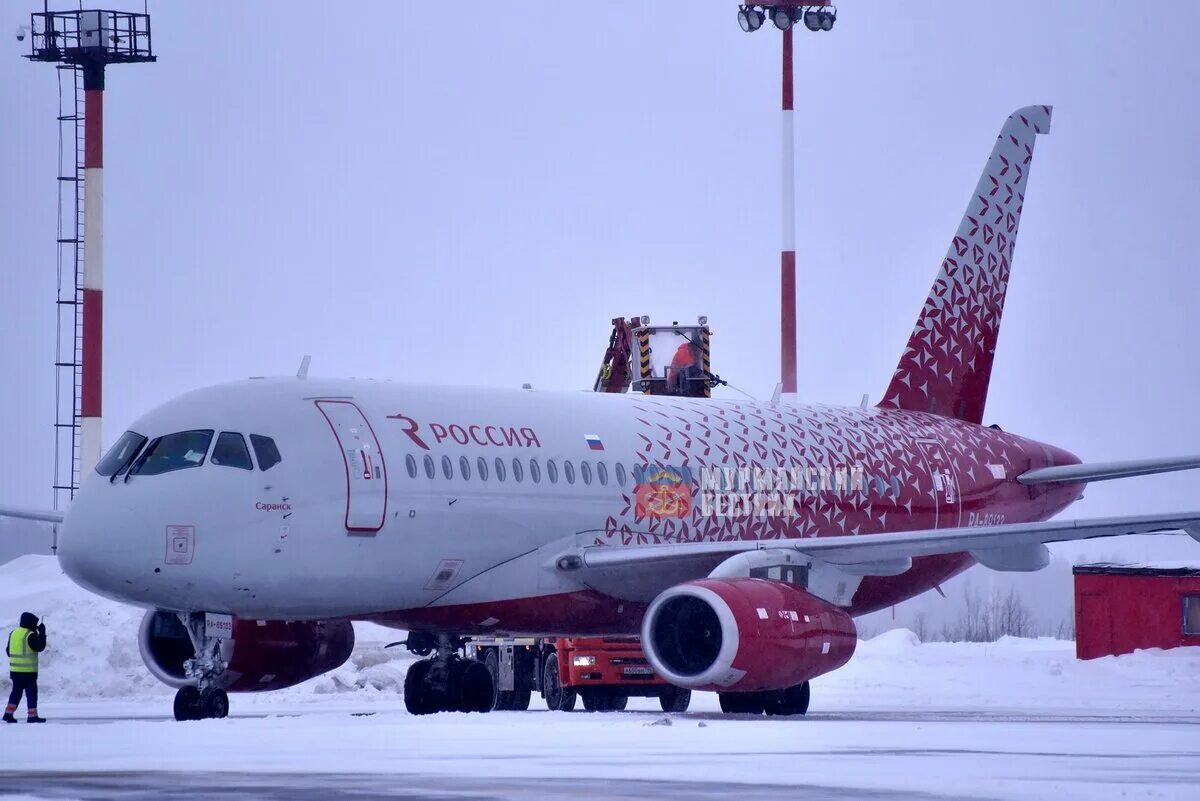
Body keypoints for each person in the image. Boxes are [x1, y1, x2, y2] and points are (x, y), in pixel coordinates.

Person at [5, 612, 47, 723]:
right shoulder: (30, 635)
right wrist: (42, 633)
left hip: (15, 671)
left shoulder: (13, 633)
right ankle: (32, 716)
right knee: (32, 694)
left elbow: (8, 651)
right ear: (30, 623)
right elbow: (40, 647)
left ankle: (8, 713)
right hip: (28, 672)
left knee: (16, 693)